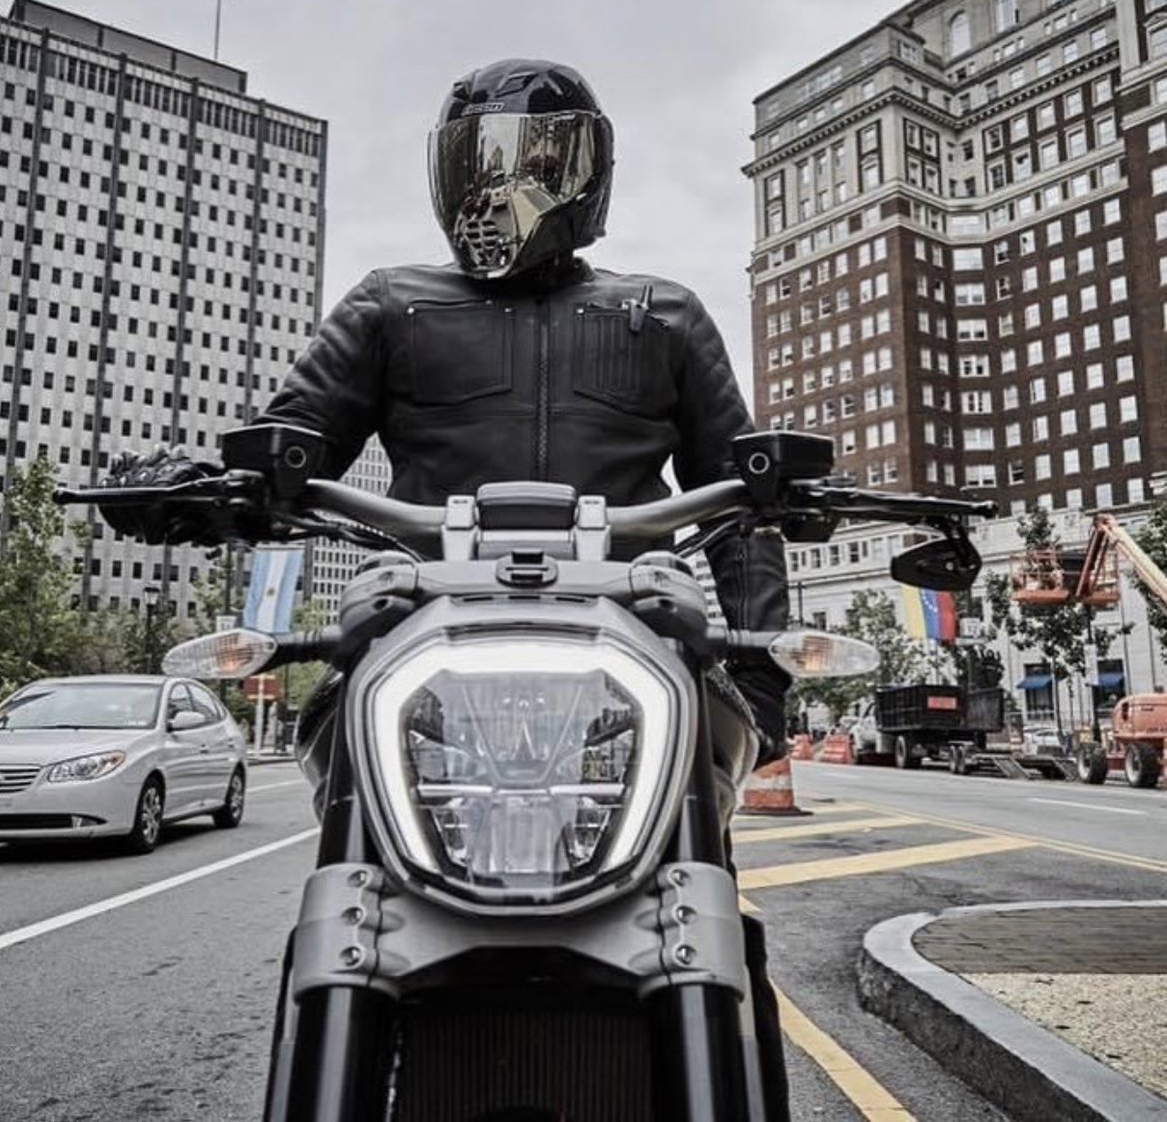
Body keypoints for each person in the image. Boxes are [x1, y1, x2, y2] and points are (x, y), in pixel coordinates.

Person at [101, 57, 791, 1112]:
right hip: (425, 638)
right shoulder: (390, 307)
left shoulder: (664, 314)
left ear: (588, 170)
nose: (498, 184)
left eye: (529, 161)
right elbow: (293, 446)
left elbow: (743, 500)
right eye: (477, 161)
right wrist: (201, 486)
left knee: (711, 845)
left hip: (635, 648)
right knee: (348, 726)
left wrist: (765, 687)